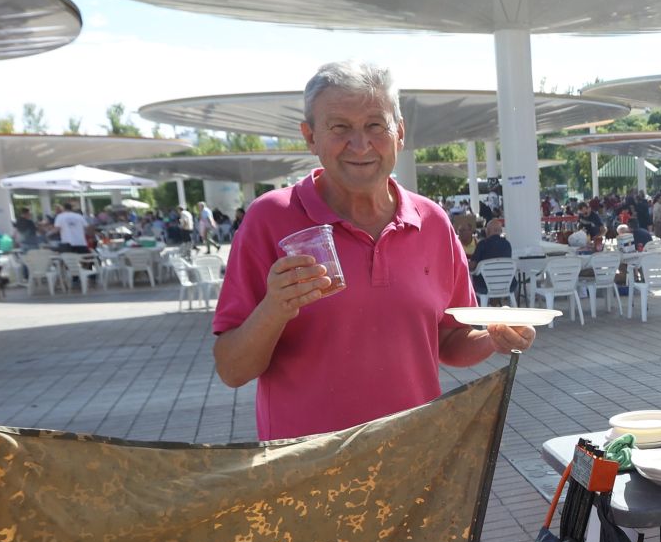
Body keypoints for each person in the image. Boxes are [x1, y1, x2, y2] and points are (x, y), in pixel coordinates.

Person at [212, 61, 532, 440]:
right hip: (305, 468)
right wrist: (274, 309)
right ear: (310, 137)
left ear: (399, 133)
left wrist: (494, 337)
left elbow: (447, 341)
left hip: (410, 456)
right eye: (339, 127)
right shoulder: (270, 218)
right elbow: (232, 370)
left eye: (375, 126)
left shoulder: (431, 222)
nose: (360, 144)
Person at [469, 215, 514, 299]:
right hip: (507, 284)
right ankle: (495, 301)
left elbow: (473, 265)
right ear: (500, 231)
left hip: (485, 286)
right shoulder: (507, 245)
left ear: (487, 231)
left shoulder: (482, 244)